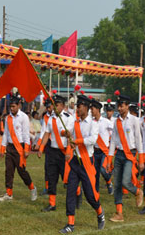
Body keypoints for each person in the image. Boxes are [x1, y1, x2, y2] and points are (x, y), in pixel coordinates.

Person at [58, 94, 106, 233]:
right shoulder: (75, 122)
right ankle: (70, 224)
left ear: (85, 107)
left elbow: (92, 140)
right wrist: (64, 133)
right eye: (76, 106)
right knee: (71, 191)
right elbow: (68, 133)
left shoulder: (93, 123)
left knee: (90, 196)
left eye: (79, 106)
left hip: (86, 162)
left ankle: (100, 212)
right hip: (75, 161)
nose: (77, 108)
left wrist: (77, 141)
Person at [107, 91, 144, 223]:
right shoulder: (117, 122)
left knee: (125, 181)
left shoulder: (135, 120)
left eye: (122, 105)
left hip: (130, 154)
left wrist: (141, 160)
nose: (119, 108)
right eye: (119, 105)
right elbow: (113, 141)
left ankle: (137, 191)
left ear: (127, 106)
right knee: (117, 184)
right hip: (119, 154)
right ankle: (119, 213)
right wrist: (109, 158)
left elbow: (139, 139)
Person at [36, 93, 74, 211]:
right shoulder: (51, 118)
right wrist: (41, 148)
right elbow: (47, 134)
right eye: (54, 105)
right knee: (52, 177)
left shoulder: (69, 118)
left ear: (62, 106)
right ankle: (52, 204)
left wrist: (68, 151)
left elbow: (69, 136)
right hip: (52, 151)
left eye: (56, 105)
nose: (54, 107)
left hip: (64, 152)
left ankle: (77, 193)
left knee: (67, 178)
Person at [0, 95, 37, 203]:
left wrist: (26, 149)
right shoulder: (7, 118)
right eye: (11, 106)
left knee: (21, 171)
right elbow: (5, 134)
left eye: (14, 106)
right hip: (10, 147)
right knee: (9, 171)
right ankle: (9, 193)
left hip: (20, 147)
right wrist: (2, 148)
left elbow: (25, 134)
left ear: (19, 105)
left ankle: (32, 188)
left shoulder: (24, 117)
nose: (12, 108)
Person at [91, 96, 114, 195]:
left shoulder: (106, 122)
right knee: (95, 173)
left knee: (103, 170)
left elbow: (115, 133)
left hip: (104, 151)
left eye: (92, 109)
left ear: (97, 110)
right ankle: (96, 192)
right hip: (95, 150)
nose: (91, 111)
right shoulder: (91, 122)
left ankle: (109, 182)